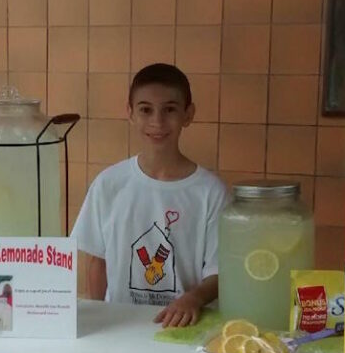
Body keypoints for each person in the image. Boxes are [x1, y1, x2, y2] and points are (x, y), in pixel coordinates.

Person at [72, 63, 228, 327]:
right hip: (120, 326)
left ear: (188, 114)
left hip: (183, 328)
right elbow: (97, 261)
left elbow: (220, 273)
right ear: (130, 113)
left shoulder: (210, 192)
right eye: (146, 110)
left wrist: (193, 298)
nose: (157, 122)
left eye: (169, 110)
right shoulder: (109, 184)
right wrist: (98, 317)